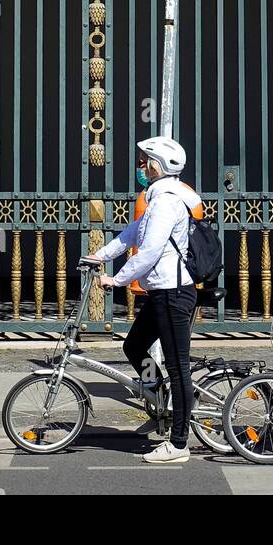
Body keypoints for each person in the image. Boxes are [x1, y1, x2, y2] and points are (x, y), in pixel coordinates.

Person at [86, 136, 200, 464]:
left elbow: (149, 251)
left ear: (157, 165)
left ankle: (178, 444)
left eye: (144, 161)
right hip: (161, 293)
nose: (140, 166)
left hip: (174, 293)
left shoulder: (167, 202)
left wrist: (116, 279)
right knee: (134, 347)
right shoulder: (156, 198)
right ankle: (160, 396)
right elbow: (132, 234)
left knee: (179, 368)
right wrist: (99, 256)